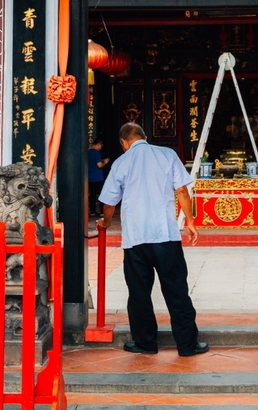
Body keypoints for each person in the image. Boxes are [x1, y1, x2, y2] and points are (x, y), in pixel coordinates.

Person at [97, 122, 208, 356]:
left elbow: (109, 202)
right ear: (145, 137)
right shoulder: (167, 154)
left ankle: (146, 343)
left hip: (135, 239)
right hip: (165, 235)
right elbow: (182, 191)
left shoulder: (121, 162)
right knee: (177, 290)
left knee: (139, 293)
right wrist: (189, 221)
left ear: (123, 142)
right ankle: (187, 345)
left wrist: (106, 223)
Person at [87, 139, 109, 219]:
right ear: (98, 145)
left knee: (92, 195)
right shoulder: (97, 153)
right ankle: (102, 212)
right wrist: (105, 162)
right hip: (98, 177)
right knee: (101, 195)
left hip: (90, 177)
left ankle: (92, 211)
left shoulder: (88, 152)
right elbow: (99, 165)